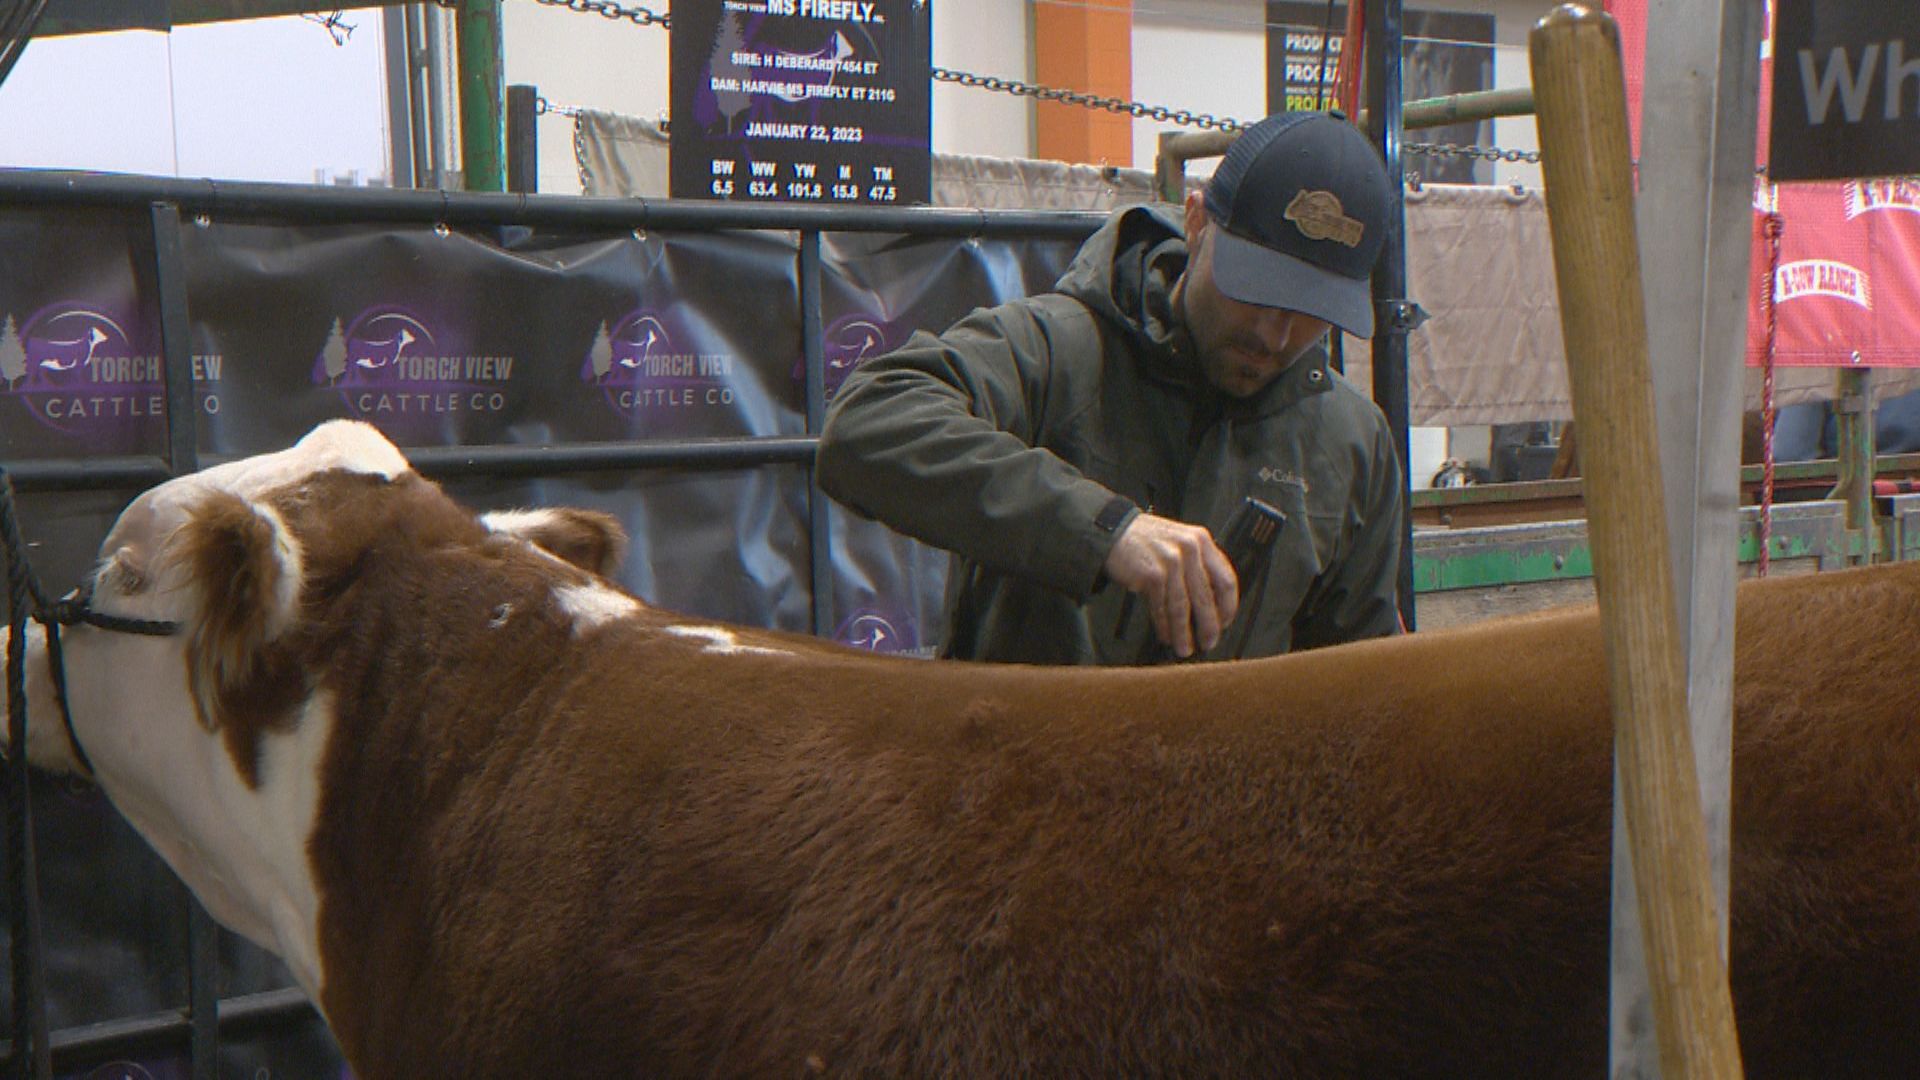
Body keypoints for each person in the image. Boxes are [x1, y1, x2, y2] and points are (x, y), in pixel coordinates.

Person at [817, 110, 1405, 665]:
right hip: (1025, 759)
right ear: (1196, 222)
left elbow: (1357, 691)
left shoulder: (1352, 443)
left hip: (1226, 770)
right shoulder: (1060, 351)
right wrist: (1104, 529)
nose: (1275, 336)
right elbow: (868, 421)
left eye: (1310, 313)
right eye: (1255, 290)